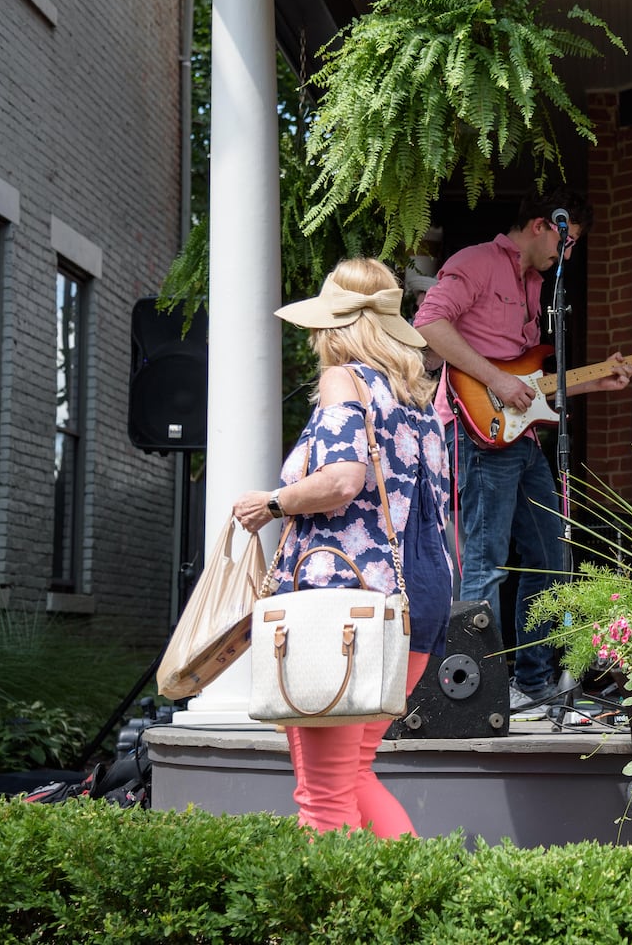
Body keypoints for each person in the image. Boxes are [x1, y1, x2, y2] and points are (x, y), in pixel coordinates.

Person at [232, 257, 452, 836]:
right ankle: (408, 908)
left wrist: (272, 502)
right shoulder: (419, 398)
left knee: (324, 794)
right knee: (354, 770)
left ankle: (327, 919)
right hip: (415, 598)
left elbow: (342, 480)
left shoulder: (344, 380)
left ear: (339, 326)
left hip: (345, 600)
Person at [413, 187, 632, 710]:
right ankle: (479, 691)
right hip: (476, 430)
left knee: (552, 557)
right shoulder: (476, 262)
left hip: (521, 436)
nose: (568, 255)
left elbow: (528, 381)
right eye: (568, 242)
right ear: (541, 225)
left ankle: (531, 682)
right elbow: (429, 324)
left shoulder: (537, 286)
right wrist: (494, 378)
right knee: (485, 561)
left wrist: (595, 381)